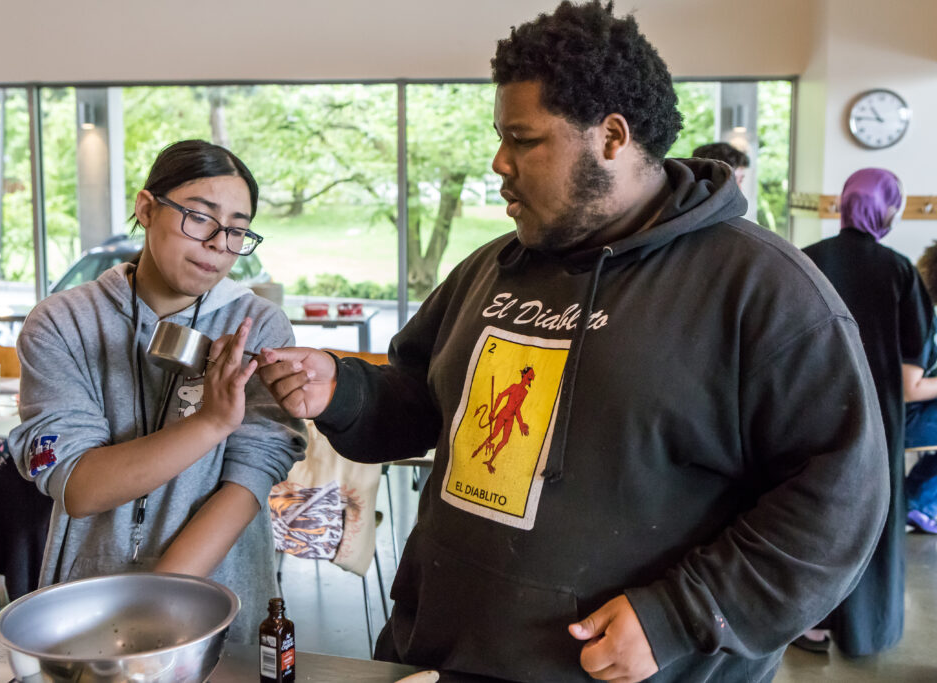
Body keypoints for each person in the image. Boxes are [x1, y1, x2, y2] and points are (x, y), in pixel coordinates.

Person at [258, 3, 888, 681]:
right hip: (439, 652)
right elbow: (419, 398)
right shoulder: (492, 267)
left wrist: (680, 614)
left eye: (523, 140)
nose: (499, 162)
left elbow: (838, 498)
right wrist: (342, 388)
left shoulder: (760, 289)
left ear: (611, 136)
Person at [8, 140, 305, 643]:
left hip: (216, 605)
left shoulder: (255, 326)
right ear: (146, 209)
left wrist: (157, 603)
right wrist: (210, 423)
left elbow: (250, 478)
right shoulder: (63, 323)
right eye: (200, 217)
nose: (218, 242)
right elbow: (80, 487)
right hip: (89, 604)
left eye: (238, 229)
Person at [802, 168, 932, 656]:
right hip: (877, 420)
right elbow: (910, 379)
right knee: (873, 517)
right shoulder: (898, 270)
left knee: (811, 516)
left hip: (807, 414)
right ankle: (864, 630)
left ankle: (807, 626)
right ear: (888, 209)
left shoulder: (807, 261)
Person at [904, 241, 937, 534]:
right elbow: (909, 390)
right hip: (904, 416)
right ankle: (922, 503)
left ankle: (915, 497)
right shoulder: (924, 319)